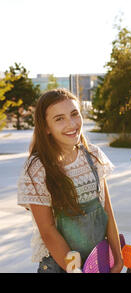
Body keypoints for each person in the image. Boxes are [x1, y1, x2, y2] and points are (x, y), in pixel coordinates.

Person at [17, 88, 123, 273]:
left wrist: (118, 257)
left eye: (75, 114)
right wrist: (76, 270)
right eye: (59, 119)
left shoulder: (93, 156)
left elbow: (107, 211)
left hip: (97, 263)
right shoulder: (37, 168)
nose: (71, 123)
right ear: (46, 128)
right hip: (61, 266)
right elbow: (48, 231)